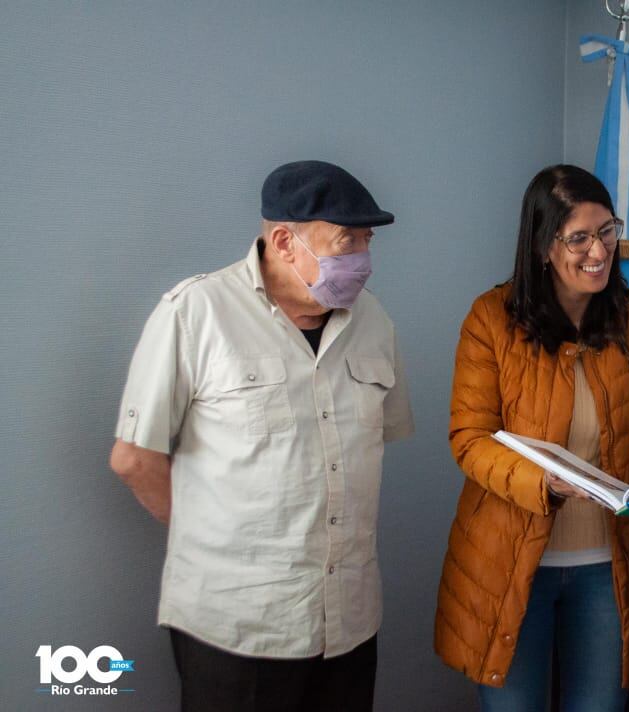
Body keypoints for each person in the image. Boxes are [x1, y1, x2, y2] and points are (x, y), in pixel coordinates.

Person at [109, 160, 413, 712]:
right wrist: (218, 543)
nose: (362, 262)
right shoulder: (196, 314)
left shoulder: (375, 324)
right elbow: (134, 458)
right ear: (283, 241)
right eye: (347, 241)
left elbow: (374, 441)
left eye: (366, 242)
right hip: (238, 624)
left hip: (347, 618)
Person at [433, 164, 629, 710]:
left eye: (607, 231)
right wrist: (546, 482)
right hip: (509, 561)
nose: (599, 251)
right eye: (579, 238)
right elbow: (470, 438)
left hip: (609, 569)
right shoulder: (491, 319)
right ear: (543, 245)